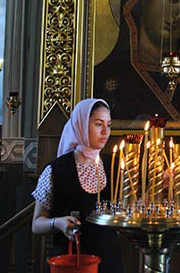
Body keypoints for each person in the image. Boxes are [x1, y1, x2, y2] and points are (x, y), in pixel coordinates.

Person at [31, 99, 123, 272]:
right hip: (72, 262)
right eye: (98, 124)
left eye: (108, 125)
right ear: (80, 124)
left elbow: (129, 209)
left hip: (109, 262)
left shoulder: (115, 166)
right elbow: (36, 224)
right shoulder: (56, 170)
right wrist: (57, 223)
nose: (105, 131)